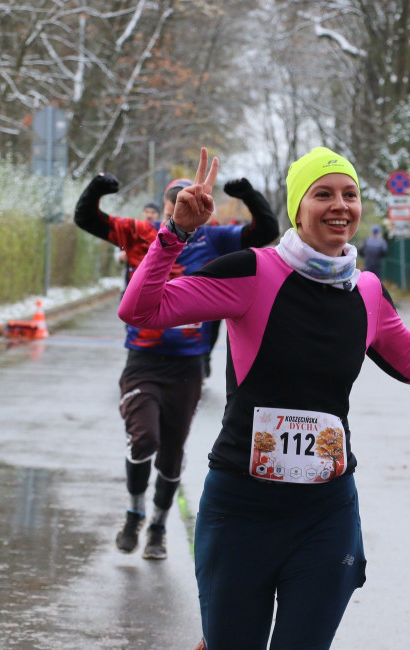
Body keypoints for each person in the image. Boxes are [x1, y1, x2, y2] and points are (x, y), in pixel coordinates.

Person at [118, 146, 410, 649]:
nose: (340, 205)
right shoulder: (252, 271)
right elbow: (140, 309)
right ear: (298, 208)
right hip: (242, 510)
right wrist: (175, 234)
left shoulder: (368, 291)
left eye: (350, 194)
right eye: (323, 194)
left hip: (325, 513)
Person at [74, 170, 278, 559]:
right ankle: (134, 512)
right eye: (177, 204)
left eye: (192, 203)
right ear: (167, 207)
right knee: (144, 438)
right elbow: (87, 218)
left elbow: (264, 231)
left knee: (171, 454)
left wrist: (249, 193)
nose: (184, 210)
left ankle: (157, 526)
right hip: (143, 359)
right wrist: (98, 186)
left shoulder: (214, 238)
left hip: (187, 365)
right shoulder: (141, 233)